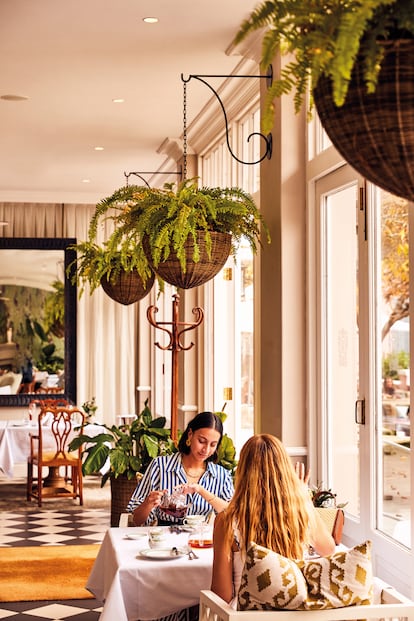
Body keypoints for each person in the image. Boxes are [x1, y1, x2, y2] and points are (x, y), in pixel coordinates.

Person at [211, 434, 336, 608]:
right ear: (285, 470)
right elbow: (329, 550)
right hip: (295, 613)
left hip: (249, 615)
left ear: (243, 471)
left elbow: (221, 594)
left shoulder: (227, 521)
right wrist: (303, 498)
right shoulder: (302, 512)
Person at [127, 411, 234, 526]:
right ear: (190, 434)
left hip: (200, 540)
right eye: (202, 441)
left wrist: (201, 491)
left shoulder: (220, 475)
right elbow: (137, 520)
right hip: (165, 539)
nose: (206, 450)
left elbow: (232, 513)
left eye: (213, 445)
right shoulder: (160, 466)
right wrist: (148, 503)